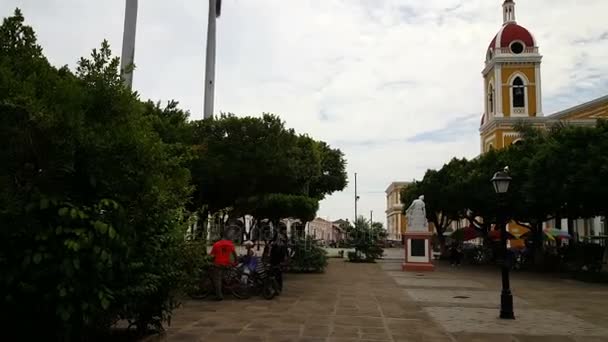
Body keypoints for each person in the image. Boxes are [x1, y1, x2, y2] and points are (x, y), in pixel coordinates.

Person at [209, 234, 237, 300]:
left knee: (217, 280)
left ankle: (219, 296)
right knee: (225, 276)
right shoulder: (230, 244)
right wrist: (235, 262)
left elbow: (212, 256)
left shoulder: (216, 244)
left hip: (218, 264)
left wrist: (210, 261)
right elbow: (234, 254)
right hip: (228, 264)